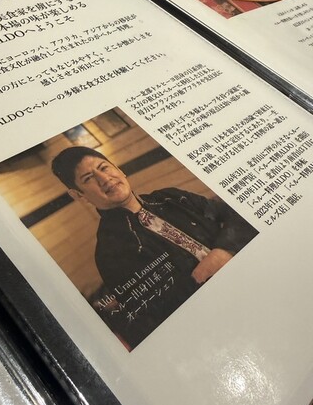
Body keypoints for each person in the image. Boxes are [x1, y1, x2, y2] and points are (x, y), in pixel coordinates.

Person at [51, 146, 258, 349]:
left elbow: (238, 213)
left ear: (119, 169)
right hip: (224, 326)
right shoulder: (110, 252)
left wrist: (225, 250)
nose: (104, 179)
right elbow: (156, 315)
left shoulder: (170, 198)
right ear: (79, 195)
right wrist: (200, 279)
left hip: (255, 275)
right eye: (88, 178)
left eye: (104, 168)